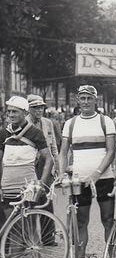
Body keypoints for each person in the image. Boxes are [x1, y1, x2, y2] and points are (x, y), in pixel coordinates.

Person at [59, 85, 116, 258]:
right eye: (82, 98)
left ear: (95, 100)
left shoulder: (105, 121)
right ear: (77, 100)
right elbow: (63, 151)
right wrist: (61, 172)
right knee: (81, 221)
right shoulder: (71, 123)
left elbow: (111, 150)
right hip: (80, 181)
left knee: (108, 220)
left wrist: (97, 173)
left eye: (89, 98)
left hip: (104, 178)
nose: (85, 102)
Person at [0, 96, 53, 258]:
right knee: (12, 228)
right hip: (7, 186)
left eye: (15, 111)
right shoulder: (3, 133)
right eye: (9, 111)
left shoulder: (35, 133)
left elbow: (49, 159)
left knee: (31, 229)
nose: (11, 115)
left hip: (28, 187)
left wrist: (41, 183)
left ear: (24, 113)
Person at [27, 94, 60, 245]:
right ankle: (29, 239)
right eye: (35, 108)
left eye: (41, 107)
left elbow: (53, 146)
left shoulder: (47, 123)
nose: (39, 110)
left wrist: (57, 167)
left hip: (46, 165)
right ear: (28, 109)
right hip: (30, 165)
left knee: (47, 201)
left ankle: (48, 237)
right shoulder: (24, 123)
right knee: (30, 201)